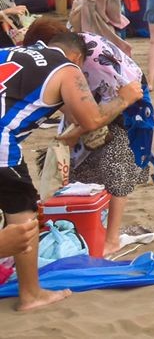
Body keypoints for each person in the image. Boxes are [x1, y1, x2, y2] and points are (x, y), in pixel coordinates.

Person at [0, 30, 116, 312]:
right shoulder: (66, 69)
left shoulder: (11, 52)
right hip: (2, 145)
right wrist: (124, 98)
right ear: (77, 57)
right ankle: (31, 294)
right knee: (23, 215)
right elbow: (91, 120)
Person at [21, 18, 146, 250]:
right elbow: (62, 101)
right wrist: (74, 126)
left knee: (117, 164)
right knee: (75, 172)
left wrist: (79, 129)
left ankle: (112, 240)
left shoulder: (95, 58)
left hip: (125, 104)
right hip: (92, 105)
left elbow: (119, 99)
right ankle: (86, 226)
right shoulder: (53, 58)